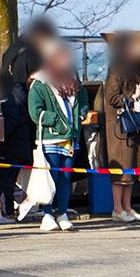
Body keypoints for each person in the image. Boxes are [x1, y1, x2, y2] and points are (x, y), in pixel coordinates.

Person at [29, 40, 92, 232]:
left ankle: (62, 212)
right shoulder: (40, 83)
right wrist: (56, 120)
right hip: (50, 138)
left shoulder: (73, 79)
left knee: (65, 177)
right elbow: (35, 111)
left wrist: (80, 114)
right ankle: (47, 213)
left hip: (71, 138)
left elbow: (83, 100)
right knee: (51, 176)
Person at [102, 32, 140, 223]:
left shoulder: (134, 68)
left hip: (132, 125)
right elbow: (112, 97)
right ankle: (118, 208)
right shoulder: (117, 68)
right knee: (121, 168)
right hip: (119, 127)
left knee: (130, 168)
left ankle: (128, 207)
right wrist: (133, 97)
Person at [0, 69, 34, 224]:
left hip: (11, 146)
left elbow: (10, 123)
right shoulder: (14, 94)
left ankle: (21, 197)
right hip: (14, 146)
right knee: (6, 178)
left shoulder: (12, 97)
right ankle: (7, 213)